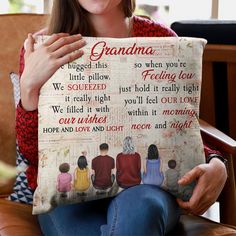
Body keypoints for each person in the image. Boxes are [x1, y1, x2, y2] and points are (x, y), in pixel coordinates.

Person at [16, 0, 227, 235]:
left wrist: (217, 162)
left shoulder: (161, 39)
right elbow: (31, 154)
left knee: (142, 208)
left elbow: (178, 127)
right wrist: (28, 88)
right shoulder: (44, 48)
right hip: (68, 197)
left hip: (145, 189)